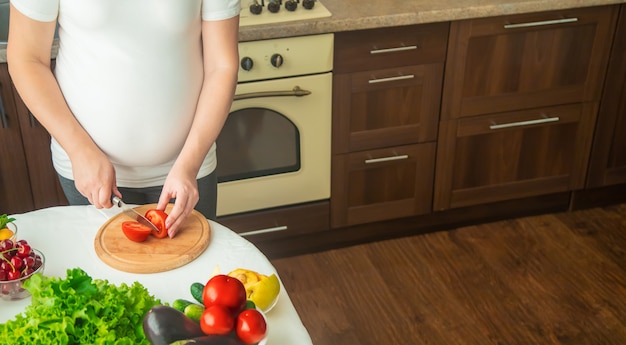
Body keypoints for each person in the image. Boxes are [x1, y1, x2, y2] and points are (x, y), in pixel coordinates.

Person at [7, 1, 241, 238]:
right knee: (103, 273)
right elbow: (27, 58)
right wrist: (79, 151)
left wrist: (190, 164)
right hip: (90, 170)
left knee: (195, 271)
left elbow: (221, 66)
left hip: (188, 168)